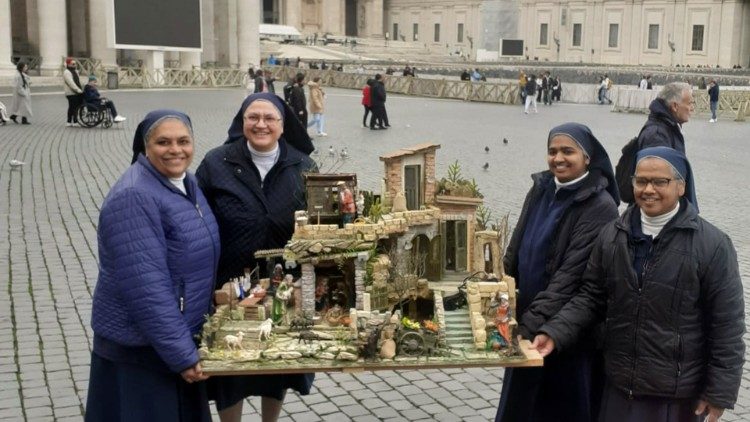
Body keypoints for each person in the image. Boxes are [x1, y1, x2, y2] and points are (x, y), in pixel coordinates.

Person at [532, 147, 744, 422]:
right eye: (641, 181)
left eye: (659, 182)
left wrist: (719, 392)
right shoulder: (612, 236)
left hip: (674, 397)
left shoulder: (713, 245)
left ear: (681, 186)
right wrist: (554, 333)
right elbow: (591, 297)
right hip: (619, 388)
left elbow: (727, 325)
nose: (648, 189)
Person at [86, 109, 220, 422]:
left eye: (183, 141)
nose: (175, 149)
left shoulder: (186, 181)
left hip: (172, 339)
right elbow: (147, 290)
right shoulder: (134, 196)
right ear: (146, 148)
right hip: (143, 352)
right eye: (163, 142)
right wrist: (183, 356)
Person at [196, 92, 316, 422]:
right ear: (242, 122)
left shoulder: (303, 165)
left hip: (285, 281)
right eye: (253, 117)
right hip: (229, 278)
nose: (260, 124)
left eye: (269, 118)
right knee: (230, 366)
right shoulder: (216, 162)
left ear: (283, 125)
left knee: (275, 365)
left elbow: (320, 221)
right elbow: (194, 216)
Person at [495, 123, 619, 422]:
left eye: (568, 151)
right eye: (552, 151)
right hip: (526, 320)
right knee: (520, 407)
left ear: (587, 157)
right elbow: (517, 247)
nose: (558, 158)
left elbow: (570, 278)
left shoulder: (600, 206)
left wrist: (527, 326)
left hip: (566, 334)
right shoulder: (541, 188)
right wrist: (501, 300)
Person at [637, 82, 694, 153]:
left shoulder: (667, 129)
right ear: (675, 106)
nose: (692, 108)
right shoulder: (657, 136)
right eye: (689, 103)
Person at [63, 58, 84, 126]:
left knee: (76, 106)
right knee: (72, 106)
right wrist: (77, 89)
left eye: (75, 64)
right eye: (73, 64)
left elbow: (78, 81)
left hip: (77, 92)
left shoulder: (75, 71)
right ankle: (69, 121)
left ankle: (75, 120)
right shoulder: (66, 72)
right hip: (70, 93)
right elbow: (70, 82)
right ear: (68, 64)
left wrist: (81, 88)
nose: (75, 65)